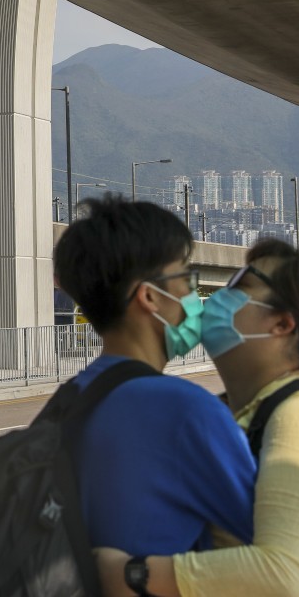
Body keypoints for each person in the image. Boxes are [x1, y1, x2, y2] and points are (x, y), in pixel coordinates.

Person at [95, 238, 299, 597]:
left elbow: (283, 572)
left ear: (281, 324)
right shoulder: (238, 413)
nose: (219, 298)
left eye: (240, 286)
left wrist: (129, 575)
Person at [53, 195, 257, 562]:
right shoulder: (187, 410)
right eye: (185, 279)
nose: (193, 295)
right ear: (150, 297)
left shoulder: (68, 399)